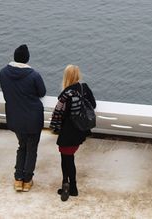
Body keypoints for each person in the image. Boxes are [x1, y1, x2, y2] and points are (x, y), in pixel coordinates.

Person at [0, 44, 46, 192]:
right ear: (27, 59)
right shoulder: (34, 75)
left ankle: (18, 179)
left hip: (15, 116)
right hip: (33, 117)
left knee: (22, 146)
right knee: (32, 149)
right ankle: (27, 180)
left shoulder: (3, 73)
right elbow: (42, 92)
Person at [50, 65, 96, 202]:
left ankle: (70, 187)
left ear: (66, 77)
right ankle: (70, 186)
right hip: (81, 130)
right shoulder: (84, 88)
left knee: (67, 159)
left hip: (68, 132)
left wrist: (56, 128)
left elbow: (60, 115)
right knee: (68, 158)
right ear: (78, 76)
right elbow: (92, 105)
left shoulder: (65, 95)